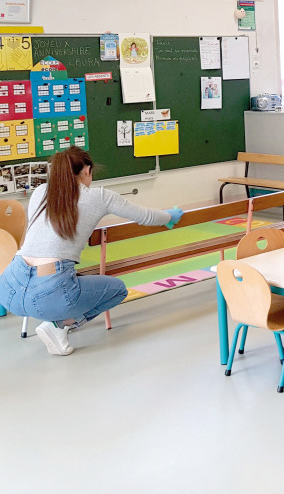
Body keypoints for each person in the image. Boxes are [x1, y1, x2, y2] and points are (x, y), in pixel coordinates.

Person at [0, 147, 184, 356]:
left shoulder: (41, 192)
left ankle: (55, 322)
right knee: (118, 290)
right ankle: (59, 325)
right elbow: (146, 217)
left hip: (8, 288)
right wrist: (170, 216)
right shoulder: (99, 197)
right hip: (50, 291)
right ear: (86, 170)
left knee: (61, 283)